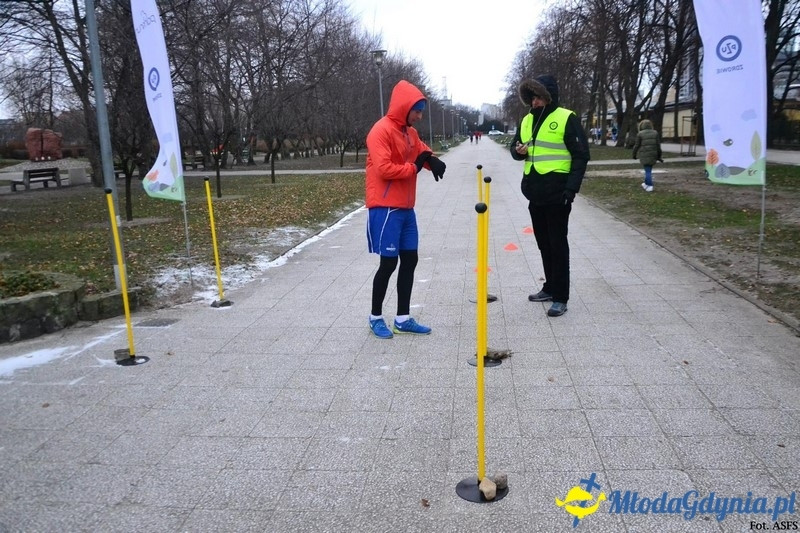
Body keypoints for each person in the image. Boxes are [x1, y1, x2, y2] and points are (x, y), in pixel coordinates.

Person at [365, 80, 446, 339]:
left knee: (410, 260)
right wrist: (415, 167)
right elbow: (384, 169)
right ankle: (375, 316)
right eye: (417, 110)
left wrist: (433, 161)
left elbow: (422, 151)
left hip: (407, 209)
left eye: (421, 110)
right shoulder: (381, 131)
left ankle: (402, 318)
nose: (420, 116)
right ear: (405, 107)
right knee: (388, 263)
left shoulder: (409, 132)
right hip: (386, 208)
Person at [509, 75, 590, 317]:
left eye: (538, 97)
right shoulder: (526, 121)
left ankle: (561, 297)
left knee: (557, 244)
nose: (534, 102)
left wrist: (571, 190)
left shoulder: (566, 117)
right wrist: (518, 151)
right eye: (531, 97)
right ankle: (549, 287)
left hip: (558, 194)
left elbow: (581, 155)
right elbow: (515, 150)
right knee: (544, 243)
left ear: (549, 96)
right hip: (535, 192)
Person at [632, 119, 663, 193]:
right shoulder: (655, 133)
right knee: (648, 169)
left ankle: (650, 185)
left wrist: (634, 154)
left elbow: (636, 145)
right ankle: (646, 183)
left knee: (647, 170)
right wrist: (659, 156)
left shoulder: (640, 134)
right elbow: (658, 145)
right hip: (653, 154)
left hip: (644, 154)